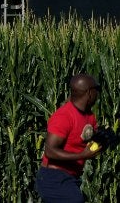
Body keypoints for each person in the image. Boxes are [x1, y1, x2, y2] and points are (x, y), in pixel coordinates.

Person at [35, 74, 102, 202]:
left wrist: (103, 140)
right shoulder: (64, 116)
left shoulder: (89, 115)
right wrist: (83, 155)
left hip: (71, 177)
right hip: (53, 178)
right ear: (89, 93)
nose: (97, 94)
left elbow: (86, 143)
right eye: (96, 90)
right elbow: (50, 151)